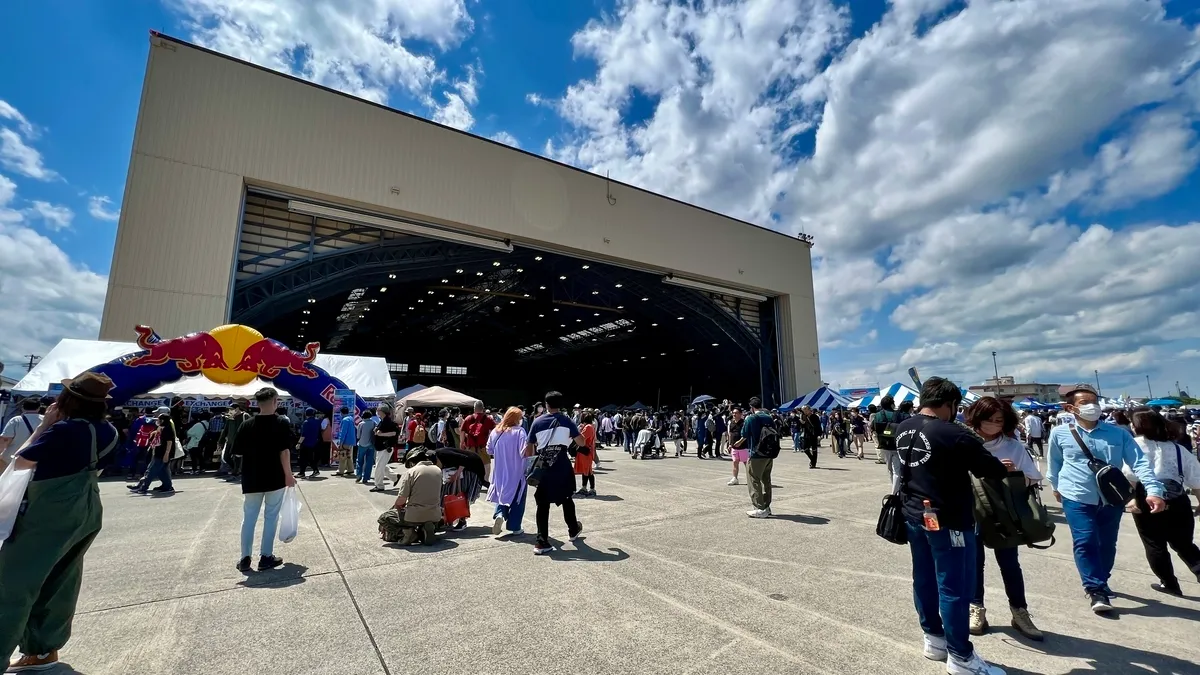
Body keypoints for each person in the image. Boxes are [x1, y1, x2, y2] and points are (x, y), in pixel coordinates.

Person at [0, 373, 119, 673]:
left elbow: (20, 461)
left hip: (49, 513)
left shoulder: (64, 429)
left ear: (69, 400)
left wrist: (43, 426)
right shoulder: (111, 431)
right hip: (88, 508)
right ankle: (42, 652)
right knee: (61, 582)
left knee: (12, 583)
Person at [897, 377, 1009, 675]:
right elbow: (991, 469)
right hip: (948, 519)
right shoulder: (953, 433)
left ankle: (933, 638)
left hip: (914, 515)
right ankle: (961, 656)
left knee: (923, 578)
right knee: (955, 587)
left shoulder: (903, 427)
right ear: (949, 404)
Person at [1047, 383, 1165, 614]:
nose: (1092, 406)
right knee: (1086, 540)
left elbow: (1139, 462)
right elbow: (1055, 463)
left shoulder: (1118, 433)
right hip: (1076, 495)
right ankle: (1095, 589)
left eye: (1094, 402)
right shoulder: (1059, 433)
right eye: (1085, 403)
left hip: (1112, 497)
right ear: (1071, 408)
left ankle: (1102, 578)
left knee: (1107, 543)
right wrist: (1056, 486)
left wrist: (1153, 490)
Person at [963, 398, 1044, 641]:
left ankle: (1020, 612)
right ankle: (976, 608)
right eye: (987, 419)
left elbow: (1033, 478)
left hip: (1005, 514)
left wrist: (1010, 472)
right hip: (972, 512)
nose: (992, 425)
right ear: (976, 418)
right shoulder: (964, 442)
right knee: (974, 563)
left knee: (1010, 564)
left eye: (998, 420)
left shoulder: (1013, 446)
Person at [1126, 408, 1200, 596]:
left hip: (1146, 499)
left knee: (1154, 544)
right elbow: (1196, 479)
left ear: (1137, 426)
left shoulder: (1133, 445)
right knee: (1184, 543)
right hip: (1178, 499)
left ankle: (1170, 583)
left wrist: (1132, 498)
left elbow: (1128, 475)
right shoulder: (1177, 448)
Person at [230, 388, 296, 572]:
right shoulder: (281, 423)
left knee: (248, 518)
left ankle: (245, 558)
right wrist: (289, 475)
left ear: (257, 403)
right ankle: (266, 556)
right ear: (275, 401)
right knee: (271, 517)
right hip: (275, 477)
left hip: (251, 477)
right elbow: (284, 451)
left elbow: (237, 451)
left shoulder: (246, 424)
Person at [524, 391, 587, 555]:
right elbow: (581, 441)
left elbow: (529, 447)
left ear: (545, 404)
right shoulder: (567, 421)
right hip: (562, 464)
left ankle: (541, 541)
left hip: (543, 465)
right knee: (566, 498)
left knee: (542, 504)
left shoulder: (537, 422)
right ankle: (573, 529)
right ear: (560, 404)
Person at [487, 407, 529, 537]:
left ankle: (500, 514)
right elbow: (524, 452)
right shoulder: (520, 432)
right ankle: (515, 526)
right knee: (518, 499)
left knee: (502, 494)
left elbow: (489, 450)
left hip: (500, 471)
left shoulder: (496, 431)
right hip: (517, 472)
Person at [390, 449, 444, 545]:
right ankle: (426, 528)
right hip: (436, 514)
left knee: (385, 517)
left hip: (414, 516)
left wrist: (396, 506)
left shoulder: (411, 472)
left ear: (412, 462)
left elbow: (401, 499)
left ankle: (409, 533)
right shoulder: (438, 470)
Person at [735, 397, 777, 518]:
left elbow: (744, 433)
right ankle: (767, 506)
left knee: (753, 479)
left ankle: (759, 507)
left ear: (752, 407)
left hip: (756, 453)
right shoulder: (769, 417)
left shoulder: (751, 418)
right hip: (769, 453)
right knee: (766, 480)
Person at [129, 412, 177, 495]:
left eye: (159, 419)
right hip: (158, 451)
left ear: (162, 420)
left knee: (152, 470)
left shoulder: (167, 429)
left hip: (162, 453)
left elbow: (169, 442)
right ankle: (167, 486)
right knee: (163, 471)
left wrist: (166, 454)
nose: (157, 420)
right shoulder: (161, 427)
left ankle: (144, 487)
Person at [0, 397, 43, 473]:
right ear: (38, 408)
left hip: (12, 457)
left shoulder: (16, 420)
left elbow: (5, 439)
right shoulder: (44, 420)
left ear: (23, 408)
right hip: (34, 459)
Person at [460, 401, 496, 485]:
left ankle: (471, 481)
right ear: (483, 409)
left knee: (470, 464)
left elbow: (462, 431)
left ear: (474, 408)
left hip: (471, 446)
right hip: (483, 446)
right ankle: (485, 481)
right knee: (486, 463)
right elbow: (494, 431)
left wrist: (462, 443)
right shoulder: (488, 419)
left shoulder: (468, 418)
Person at [218, 401, 251, 480]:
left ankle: (235, 473)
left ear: (237, 408)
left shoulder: (245, 416)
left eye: (232, 409)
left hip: (240, 441)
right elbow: (226, 429)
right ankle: (237, 470)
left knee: (237, 458)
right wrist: (220, 441)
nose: (230, 411)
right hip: (230, 441)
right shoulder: (230, 417)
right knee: (226, 457)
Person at [371, 404, 399, 492]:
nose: (377, 412)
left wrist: (381, 434)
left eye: (378, 410)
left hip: (385, 447)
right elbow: (378, 429)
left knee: (379, 467)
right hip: (380, 447)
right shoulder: (382, 421)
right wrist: (376, 430)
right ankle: (395, 477)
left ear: (382, 411)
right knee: (381, 465)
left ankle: (379, 485)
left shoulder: (388, 421)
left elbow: (394, 433)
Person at [295, 408, 322, 479]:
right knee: (307, 458)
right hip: (314, 443)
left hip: (306, 443)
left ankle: (314, 470)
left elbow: (303, 434)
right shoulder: (317, 421)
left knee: (304, 458)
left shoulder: (306, 422)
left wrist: (298, 443)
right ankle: (302, 472)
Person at [575, 411, 597, 497]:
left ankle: (591, 489)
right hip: (586, 451)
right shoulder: (590, 426)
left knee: (588, 471)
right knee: (586, 471)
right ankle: (584, 487)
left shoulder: (588, 427)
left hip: (585, 452)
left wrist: (579, 430)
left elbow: (581, 437)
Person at [354, 409, 377, 484]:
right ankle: (366, 477)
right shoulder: (374, 423)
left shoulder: (361, 424)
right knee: (369, 462)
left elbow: (358, 436)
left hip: (362, 444)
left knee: (359, 460)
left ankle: (359, 475)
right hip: (371, 444)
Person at [334, 407, 357, 477]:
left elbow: (343, 432)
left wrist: (340, 442)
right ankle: (350, 469)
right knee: (349, 456)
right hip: (351, 441)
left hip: (346, 441)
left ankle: (341, 471)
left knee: (342, 456)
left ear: (341, 413)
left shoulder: (345, 420)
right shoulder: (351, 419)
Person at [727, 407, 747, 486]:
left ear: (740, 414)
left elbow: (746, 434)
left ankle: (751, 478)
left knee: (747, 464)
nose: (734, 414)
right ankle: (735, 478)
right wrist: (729, 444)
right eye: (733, 413)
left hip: (743, 447)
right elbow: (730, 434)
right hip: (734, 447)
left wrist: (740, 442)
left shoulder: (744, 423)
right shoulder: (730, 422)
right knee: (735, 462)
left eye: (736, 413)